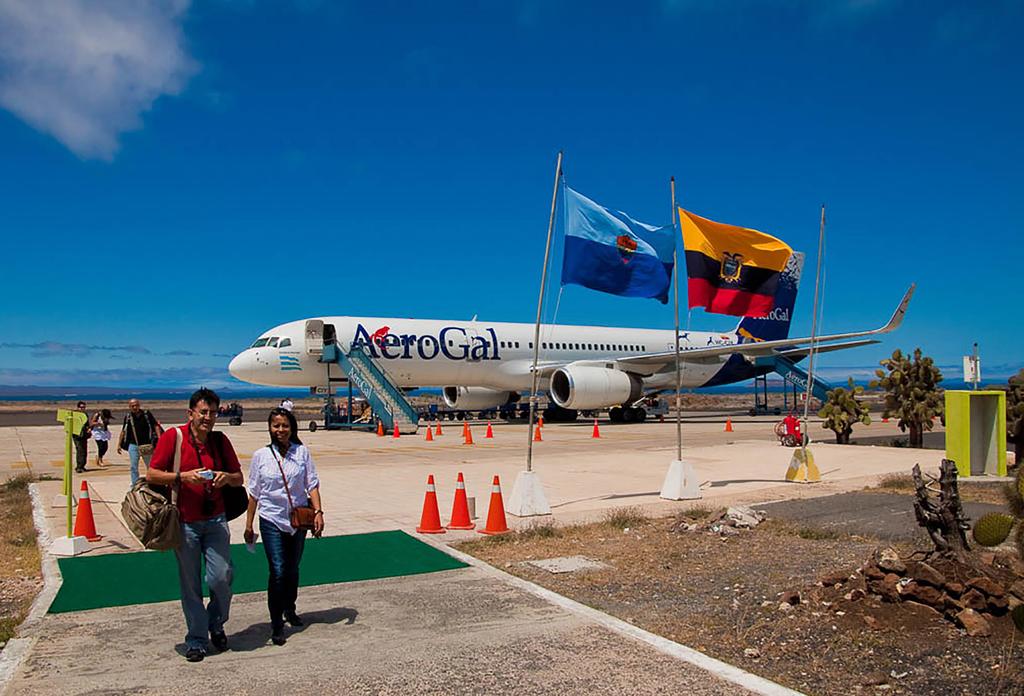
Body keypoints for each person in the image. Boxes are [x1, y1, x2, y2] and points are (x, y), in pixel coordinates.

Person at [148, 388, 245, 663]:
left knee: (221, 576)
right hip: (185, 522)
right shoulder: (173, 437)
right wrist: (182, 477)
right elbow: (152, 473)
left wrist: (225, 477)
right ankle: (197, 639)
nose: (208, 417)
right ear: (190, 413)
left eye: (213, 412)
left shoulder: (219, 441)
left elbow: (239, 477)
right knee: (190, 584)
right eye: (203, 412)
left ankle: (216, 622)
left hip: (215, 520)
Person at [244, 407, 324, 646]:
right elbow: (254, 493)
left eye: (285, 425)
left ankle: (290, 607)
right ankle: (276, 623)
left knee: (292, 568)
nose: (280, 430)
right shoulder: (261, 456)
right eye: (276, 425)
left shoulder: (302, 453)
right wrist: (248, 524)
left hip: (297, 520)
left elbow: (312, 484)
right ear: (270, 428)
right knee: (278, 570)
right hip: (271, 519)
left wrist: (318, 512)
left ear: (292, 428)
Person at [118, 399, 164, 485]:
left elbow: (155, 426)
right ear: (129, 407)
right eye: (132, 406)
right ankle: (135, 484)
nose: (135, 407)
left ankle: (153, 483)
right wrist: (119, 444)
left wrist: (160, 439)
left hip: (147, 445)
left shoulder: (146, 414)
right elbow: (123, 431)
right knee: (133, 466)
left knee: (150, 466)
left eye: (136, 405)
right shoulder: (128, 417)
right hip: (133, 445)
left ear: (139, 405)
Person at [71, 401, 89, 473]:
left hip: (84, 435)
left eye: (83, 407)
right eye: (81, 407)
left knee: (84, 451)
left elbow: (87, 424)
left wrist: (89, 429)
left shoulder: (85, 415)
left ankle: (82, 465)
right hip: (77, 435)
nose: (82, 409)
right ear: (78, 407)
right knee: (80, 450)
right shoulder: (75, 415)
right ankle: (79, 466)